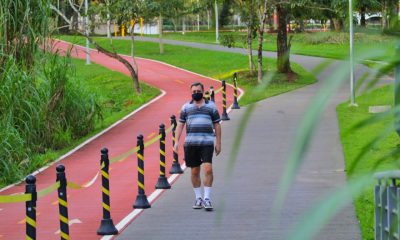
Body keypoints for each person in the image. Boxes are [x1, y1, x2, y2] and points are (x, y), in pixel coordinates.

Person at [174, 82, 222, 211]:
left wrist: (218, 143)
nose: (196, 93)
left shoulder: (211, 106)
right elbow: (180, 125)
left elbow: (217, 125)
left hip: (207, 143)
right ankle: (198, 198)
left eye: (198, 91)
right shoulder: (186, 107)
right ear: (191, 92)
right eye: (194, 91)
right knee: (194, 171)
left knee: (208, 169)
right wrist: (176, 141)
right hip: (191, 144)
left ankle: (207, 198)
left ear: (203, 91)